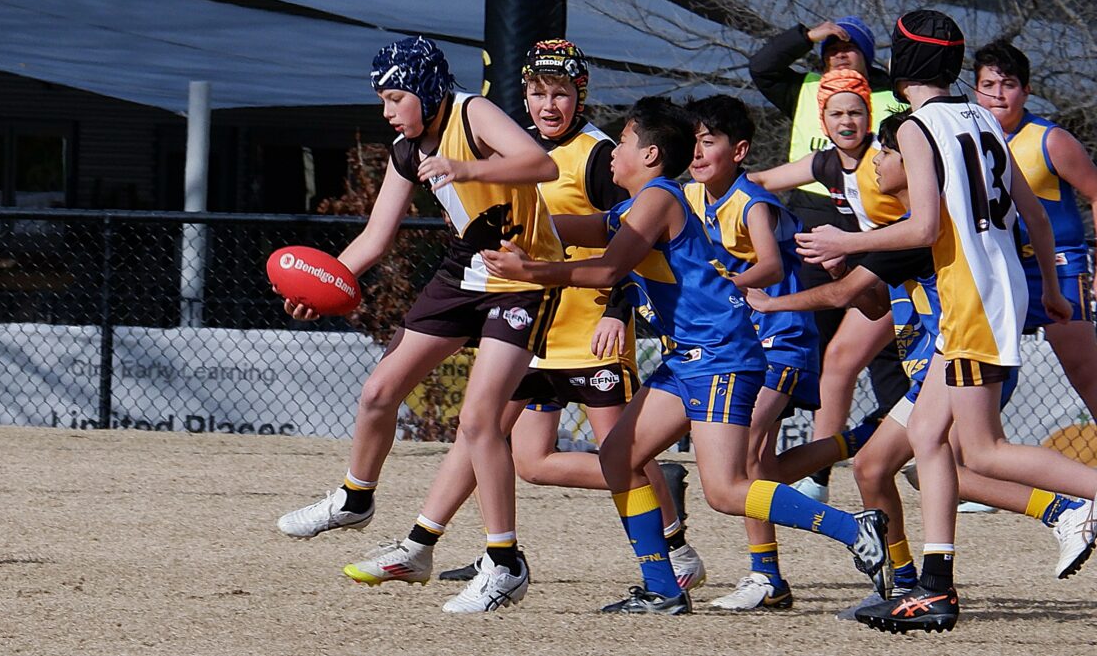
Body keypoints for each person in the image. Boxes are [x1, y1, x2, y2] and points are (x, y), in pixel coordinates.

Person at [483, 96, 890, 615]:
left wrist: (531, 271)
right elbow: (584, 226)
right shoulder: (639, 205)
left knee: (725, 490)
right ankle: (662, 589)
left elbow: (607, 270)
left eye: (622, 141)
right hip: (689, 359)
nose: (613, 152)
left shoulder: (659, 197)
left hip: (721, 355)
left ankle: (853, 528)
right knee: (617, 457)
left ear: (650, 154)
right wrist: (515, 223)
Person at [339, 40, 705, 599]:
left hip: (587, 325)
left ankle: (674, 547)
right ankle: (421, 546)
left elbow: (633, 237)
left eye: (561, 93)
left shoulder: (600, 155)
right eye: (537, 93)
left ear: (580, 96)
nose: (548, 105)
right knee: (498, 441)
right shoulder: (509, 144)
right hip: (528, 315)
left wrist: (618, 308)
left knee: (621, 451)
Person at [795, 10, 1097, 633]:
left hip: (971, 298)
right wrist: (1050, 289)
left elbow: (923, 227)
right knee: (928, 437)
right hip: (995, 290)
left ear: (901, 63)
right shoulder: (983, 118)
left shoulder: (917, 126)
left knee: (983, 449)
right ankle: (934, 588)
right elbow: (1036, 215)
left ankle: (1080, 504)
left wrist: (846, 241)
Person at [273, 35, 563, 613]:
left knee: (478, 421)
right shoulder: (405, 150)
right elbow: (375, 238)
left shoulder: (471, 113)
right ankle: (355, 498)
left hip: (523, 275)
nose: (386, 111)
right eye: (382, 100)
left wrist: (465, 166)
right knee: (378, 392)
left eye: (394, 98)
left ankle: (504, 564)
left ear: (427, 91)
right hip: (463, 271)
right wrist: (321, 286)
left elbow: (543, 163)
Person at [681, 95, 873, 611]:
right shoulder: (691, 196)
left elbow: (768, 265)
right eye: (692, 141)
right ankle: (859, 439)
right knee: (759, 464)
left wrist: (722, 288)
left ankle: (768, 572)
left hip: (780, 339)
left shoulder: (753, 202)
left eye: (708, 142)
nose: (696, 152)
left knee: (743, 454)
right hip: (740, 342)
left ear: (739, 150)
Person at [750, 17, 911, 501]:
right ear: (823, 121)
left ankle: (938, 462)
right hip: (886, 278)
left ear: (870, 115)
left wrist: (847, 247)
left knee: (890, 374)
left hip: (916, 276)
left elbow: (921, 227)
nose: (847, 121)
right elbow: (763, 180)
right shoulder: (826, 162)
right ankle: (824, 473)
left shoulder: (886, 163)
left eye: (855, 112)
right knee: (842, 362)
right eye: (837, 113)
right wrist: (699, 188)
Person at [973, 39, 1097, 417]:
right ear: (975, 90)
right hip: (997, 269)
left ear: (1026, 90)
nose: (998, 95)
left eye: (1008, 84)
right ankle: (973, 446)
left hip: (1057, 267)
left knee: (1086, 371)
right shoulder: (968, 141)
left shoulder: (1050, 139)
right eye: (988, 85)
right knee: (984, 373)